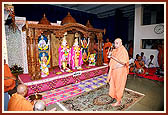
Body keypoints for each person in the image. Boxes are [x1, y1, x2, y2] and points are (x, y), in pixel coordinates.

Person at [107, 38, 129, 106]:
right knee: (113, 84)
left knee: (119, 86)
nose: (115, 45)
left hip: (120, 72)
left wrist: (113, 57)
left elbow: (124, 62)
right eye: (115, 43)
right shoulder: (115, 50)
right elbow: (111, 56)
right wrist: (110, 54)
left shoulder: (123, 51)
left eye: (117, 43)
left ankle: (118, 101)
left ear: (121, 43)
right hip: (114, 71)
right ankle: (116, 96)